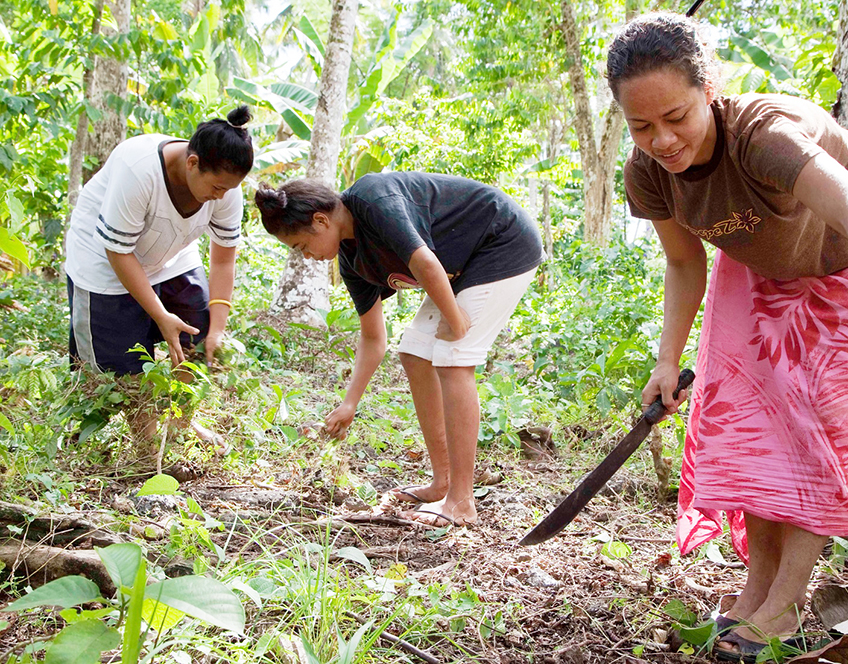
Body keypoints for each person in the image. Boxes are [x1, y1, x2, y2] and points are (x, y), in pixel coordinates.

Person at [605, 13, 848, 660]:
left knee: (822, 439)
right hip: (758, 270)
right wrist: (667, 358)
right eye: (641, 126)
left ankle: (783, 608)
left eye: (676, 116)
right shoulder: (648, 170)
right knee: (751, 429)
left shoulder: (764, 136)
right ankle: (756, 592)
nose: (663, 139)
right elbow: (682, 262)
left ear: (709, 90)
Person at [254, 173, 543, 527]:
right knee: (414, 351)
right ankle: (443, 482)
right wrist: (350, 403)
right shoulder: (351, 259)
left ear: (320, 220)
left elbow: (424, 262)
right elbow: (374, 338)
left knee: (453, 358)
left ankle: (462, 503)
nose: (308, 257)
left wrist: (455, 321)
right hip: (463, 266)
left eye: (301, 246)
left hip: (503, 240)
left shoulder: (372, 198)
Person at [65, 106, 254, 453]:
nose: (221, 197)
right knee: (124, 367)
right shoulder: (138, 169)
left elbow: (224, 260)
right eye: (216, 187)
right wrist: (160, 315)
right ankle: (148, 446)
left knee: (197, 332)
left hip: (171, 256)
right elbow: (119, 253)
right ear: (192, 163)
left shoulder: (226, 186)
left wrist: (218, 330)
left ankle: (181, 424)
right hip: (105, 261)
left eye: (229, 189)